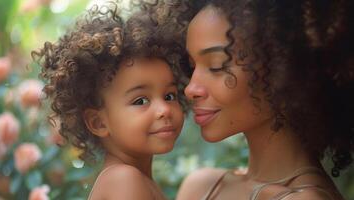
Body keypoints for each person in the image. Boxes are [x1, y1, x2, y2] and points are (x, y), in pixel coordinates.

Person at [140, 0, 354, 199]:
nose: (190, 89)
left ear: (286, 69)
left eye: (217, 65)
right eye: (192, 67)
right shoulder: (202, 186)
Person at [32, 3, 187, 200]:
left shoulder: (134, 179)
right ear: (99, 122)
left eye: (169, 96)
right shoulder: (124, 180)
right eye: (140, 101)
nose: (164, 109)